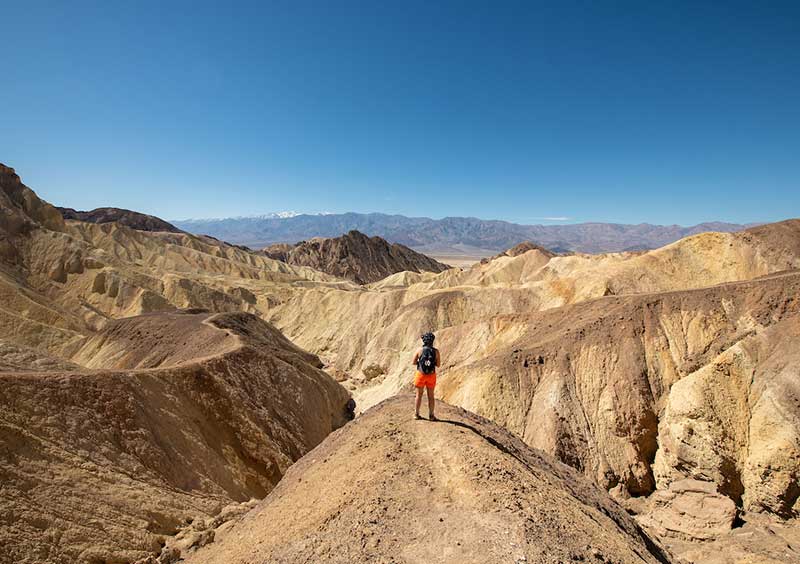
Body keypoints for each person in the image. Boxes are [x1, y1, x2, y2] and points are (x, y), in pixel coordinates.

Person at [412, 331, 440, 420]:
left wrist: (420, 363)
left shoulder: (419, 350)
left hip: (420, 374)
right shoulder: (436, 351)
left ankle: (416, 414)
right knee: (431, 396)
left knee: (418, 395)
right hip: (431, 375)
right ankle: (431, 415)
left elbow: (413, 362)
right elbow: (438, 365)